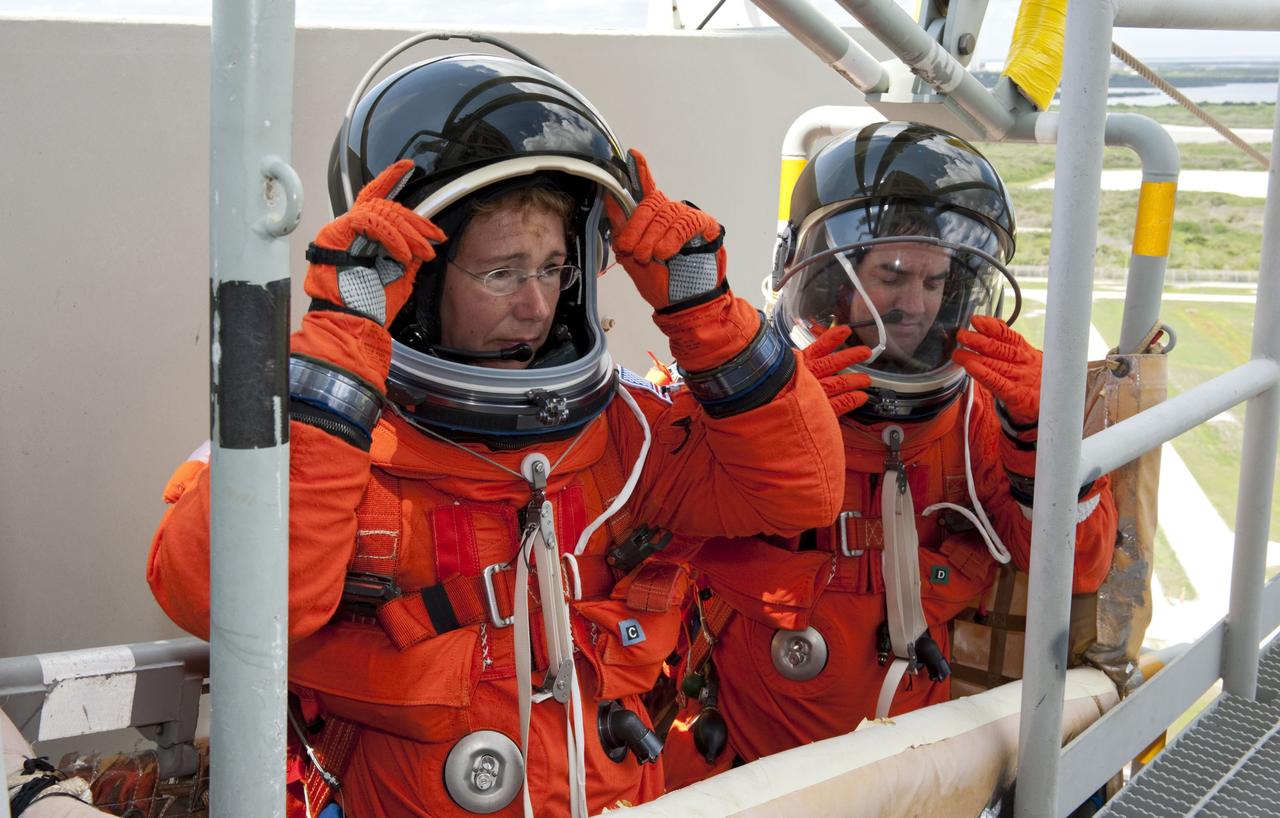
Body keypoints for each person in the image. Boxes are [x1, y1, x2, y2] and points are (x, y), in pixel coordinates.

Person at [146, 49, 863, 818]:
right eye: (500, 272)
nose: (536, 305)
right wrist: (338, 348)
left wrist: (706, 311)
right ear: (415, 282)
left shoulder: (624, 440)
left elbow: (801, 490)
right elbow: (223, 597)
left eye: (554, 267)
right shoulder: (337, 443)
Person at [662, 121, 1118, 784]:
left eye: (934, 281)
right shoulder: (748, 398)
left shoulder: (974, 416)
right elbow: (652, 526)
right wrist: (770, 423)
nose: (914, 305)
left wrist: (1041, 439)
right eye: (893, 275)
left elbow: (1075, 569)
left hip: (907, 771)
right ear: (824, 279)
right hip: (744, 769)